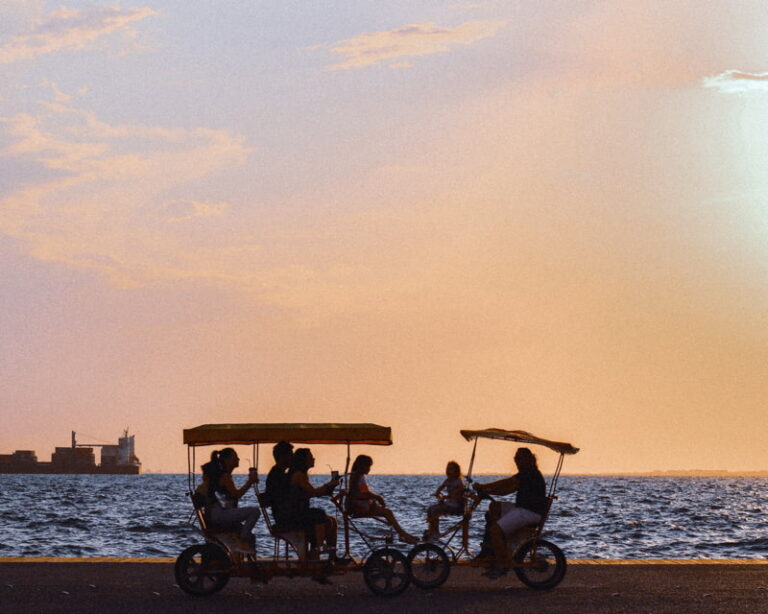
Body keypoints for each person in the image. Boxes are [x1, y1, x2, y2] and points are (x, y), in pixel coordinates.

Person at [472, 447, 548, 578]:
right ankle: (490, 549)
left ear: (529, 459)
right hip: (525, 509)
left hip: (529, 512)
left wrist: (484, 486)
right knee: (494, 507)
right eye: (515, 458)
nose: (516, 461)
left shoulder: (529, 473)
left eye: (519, 458)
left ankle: (502, 564)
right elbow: (506, 490)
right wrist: (487, 491)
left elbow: (508, 483)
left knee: (495, 530)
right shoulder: (527, 473)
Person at [286, 448, 344, 562]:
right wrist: (329, 484)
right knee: (319, 515)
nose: (313, 459)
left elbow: (313, 493)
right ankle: (316, 551)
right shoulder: (298, 475)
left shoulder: (302, 475)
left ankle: (332, 557)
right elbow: (313, 492)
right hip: (295, 515)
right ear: (303, 460)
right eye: (310, 457)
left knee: (332, 521)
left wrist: (330, 487)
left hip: (300, 512)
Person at [348, 454, 418, 545]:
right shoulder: (358, 476)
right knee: (388, 512)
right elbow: (363, 493)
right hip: (359, 507)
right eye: (368, 466)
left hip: (358, 504)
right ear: (362, 466)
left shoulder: (355, 476)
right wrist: (378, 497)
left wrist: (375, 499)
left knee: (387, 512)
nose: (369, 469)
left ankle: (402, 534)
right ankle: (403, 535)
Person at [200, 447, 261, 551]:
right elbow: (236, 495)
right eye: (235, 457)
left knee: (250, 535)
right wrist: (250, 482)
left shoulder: (222, 475)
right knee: (255, 512)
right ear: (227, 460)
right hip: (219, 515)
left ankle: (241, 548)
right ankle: (242, 539)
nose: (238, 459)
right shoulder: (225, 477)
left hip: (216, 514)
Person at [424, 460, 465, 540]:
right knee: (430, 509)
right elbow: (441, 487)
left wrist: (449, 495)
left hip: (456, 505)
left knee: (435, 511)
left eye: (451, 469)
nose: (448, 471)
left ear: (456, 471)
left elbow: (461, 488)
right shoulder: (447, 481)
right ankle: (431, 530)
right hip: (448, 503)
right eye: (448, 469)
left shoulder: (458, 481)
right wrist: (437, 492)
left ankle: (436, 532)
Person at [264, 440, 293, 527]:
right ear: (283, 457)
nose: (293, 457)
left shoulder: (277, 472)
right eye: (291, 454)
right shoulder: (277, 475)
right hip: (285, 517)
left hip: (282, 514)